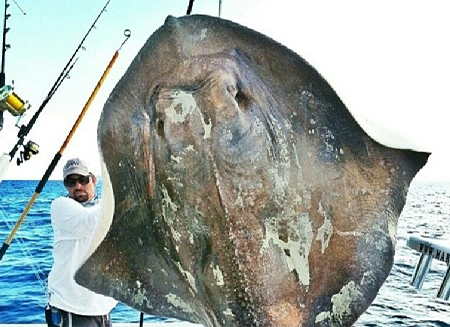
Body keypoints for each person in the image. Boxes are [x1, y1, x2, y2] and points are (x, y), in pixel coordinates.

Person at [46, 157, 117, 327]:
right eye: (71, 181)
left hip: (102, 309)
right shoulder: (60, 206)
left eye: (83, 180)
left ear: (94, 180)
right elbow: (92, 223)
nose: (78, 186)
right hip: (72, 310)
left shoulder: (103, 206)